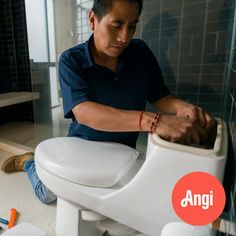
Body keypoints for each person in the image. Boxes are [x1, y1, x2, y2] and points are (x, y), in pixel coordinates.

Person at [1, 0, 215, 204]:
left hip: (122, 152)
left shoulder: (140, 53)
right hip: (82, 147)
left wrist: (183, 107)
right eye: (116, 25)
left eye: (132, 26)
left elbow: (161, 97)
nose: (124, 37)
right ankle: (30, 163)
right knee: (49, 195)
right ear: (93, 20)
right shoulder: (72, 60)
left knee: (114, 199)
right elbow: (84, 112)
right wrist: (155, 122)